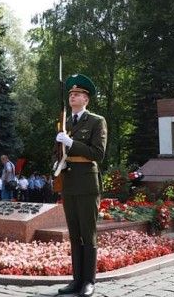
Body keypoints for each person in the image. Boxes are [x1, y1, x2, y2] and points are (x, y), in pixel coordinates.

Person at [55, 73, 106, 297]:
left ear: (86, 99)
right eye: (71, 94)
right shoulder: (64, 122)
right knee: (74, 233)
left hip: (87, 182)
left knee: (88, 232)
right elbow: (57, 153)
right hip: (69, 182)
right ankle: (76, 280)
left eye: (77, 94)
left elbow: (98, 153)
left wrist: (71, 143)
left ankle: (88, 281)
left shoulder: (96, 121)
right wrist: (55, 164)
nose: (72, 97)